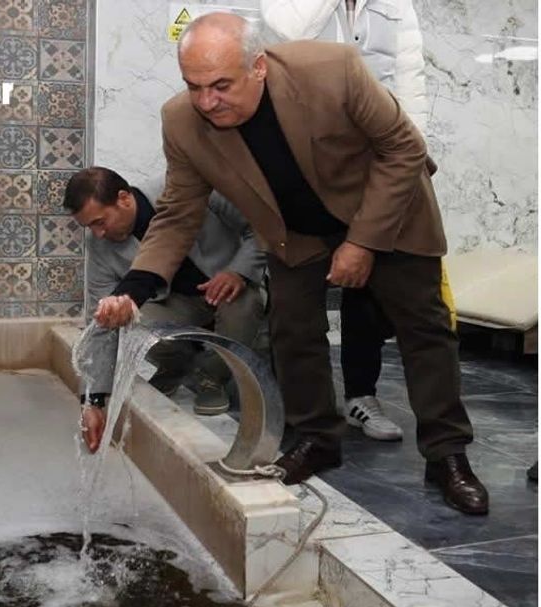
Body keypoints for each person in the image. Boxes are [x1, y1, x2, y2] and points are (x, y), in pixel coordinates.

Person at [93, 13, 488, 514]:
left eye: (221, 86)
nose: (207, 102)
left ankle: (447, 454)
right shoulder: (181, 121)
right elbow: (177, 214)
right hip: (295, 230)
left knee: (424, 330)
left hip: (389, 210)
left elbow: (404, 148)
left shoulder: (333, 70)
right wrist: (133, 290)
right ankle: (317, 438)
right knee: (292, 330)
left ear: (258, 66)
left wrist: (362, 243)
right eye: (194, 87)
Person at [260, 0, 456, 442]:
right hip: (310, 162)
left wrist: (414, 158)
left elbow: (410, 79)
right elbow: (286, 31)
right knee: (296, 311)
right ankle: (308, 424)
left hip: (380, 160)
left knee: (381, 298)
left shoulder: (396, 5)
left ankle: (363, 398)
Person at [64, 166, 266, 452]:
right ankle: (175, 364)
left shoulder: (186, 186)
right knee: (130, 320)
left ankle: (213, 376)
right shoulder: (99, 245)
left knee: (243, 306)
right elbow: (101, 322)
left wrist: (239, 272)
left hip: (231, 288)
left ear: (123, 199)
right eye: (90, 227)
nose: (98, 234)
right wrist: (92, 400)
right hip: (178, 303)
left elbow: (260, 228)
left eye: (100, 222)